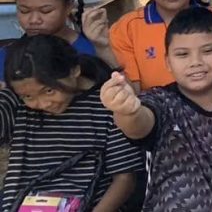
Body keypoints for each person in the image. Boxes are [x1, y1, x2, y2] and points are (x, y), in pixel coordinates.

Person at [99, 7, 212, 212]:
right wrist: (127, 110)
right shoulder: (162, 101)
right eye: (182, 54)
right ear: (167, 62)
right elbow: (139, 125)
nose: (196, 62)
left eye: (207, 51)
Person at [0, 35, 143, 211]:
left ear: (74, 70)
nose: (43, 104)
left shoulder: (108, 105)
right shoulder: (17, 103)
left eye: (49, 90)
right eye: (28, 96)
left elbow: (125, 179)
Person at [0, 0, 117, 73]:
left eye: (46, 11)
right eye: (24, 11)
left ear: (69, 7)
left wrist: (103, 48)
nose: (34, 20)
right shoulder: (7, 56)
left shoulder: (91, 50)